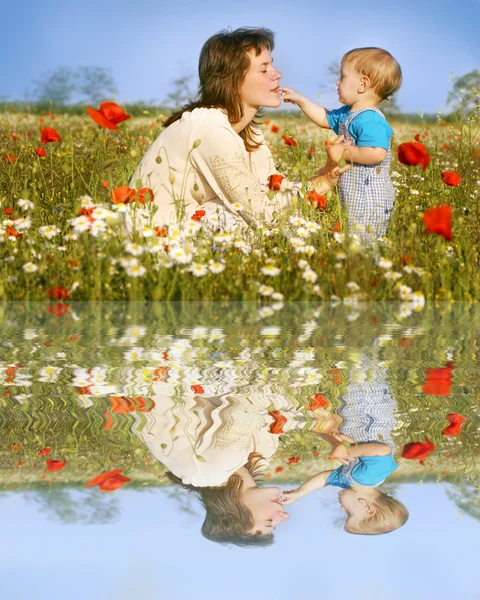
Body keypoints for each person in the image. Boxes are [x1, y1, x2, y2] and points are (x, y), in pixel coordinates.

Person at [126, 27, 349, 233]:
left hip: (186, 226)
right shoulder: (211, 127)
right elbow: (262, 212)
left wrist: (327, 172)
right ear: (233, 80)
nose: (277, 74)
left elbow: (273, 189)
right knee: (243, 220)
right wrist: (323, 183)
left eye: (272, 65)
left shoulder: (247, 129)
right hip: (154, 234)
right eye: (264, 69)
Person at [281, 47, 402, 243]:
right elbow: (323, 117)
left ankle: (368, 269)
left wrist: (343, 150)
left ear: (363, 84)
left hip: (370, 197)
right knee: (353, 237)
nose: (337, 82)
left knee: (365, 241)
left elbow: (377, 153)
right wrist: (300, 100)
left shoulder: (370, 120)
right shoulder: (348, 113)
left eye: (343, 77)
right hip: (354, 193)